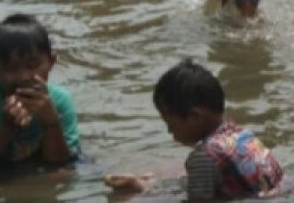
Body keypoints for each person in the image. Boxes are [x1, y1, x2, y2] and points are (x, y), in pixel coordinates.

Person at [106, 59, 283, 199]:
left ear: (195, 116)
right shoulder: (243, 135)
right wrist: (155, 185)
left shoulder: (203, 157)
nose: (170, 132)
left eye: (171, 124)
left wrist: (143, 192)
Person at [0, 14, 80, 166]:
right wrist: (7, 126)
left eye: (32, 65)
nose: (23, 76)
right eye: (10, 68)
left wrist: (51, 121)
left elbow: (59, 163)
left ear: (51, 62)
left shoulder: (59, 100)